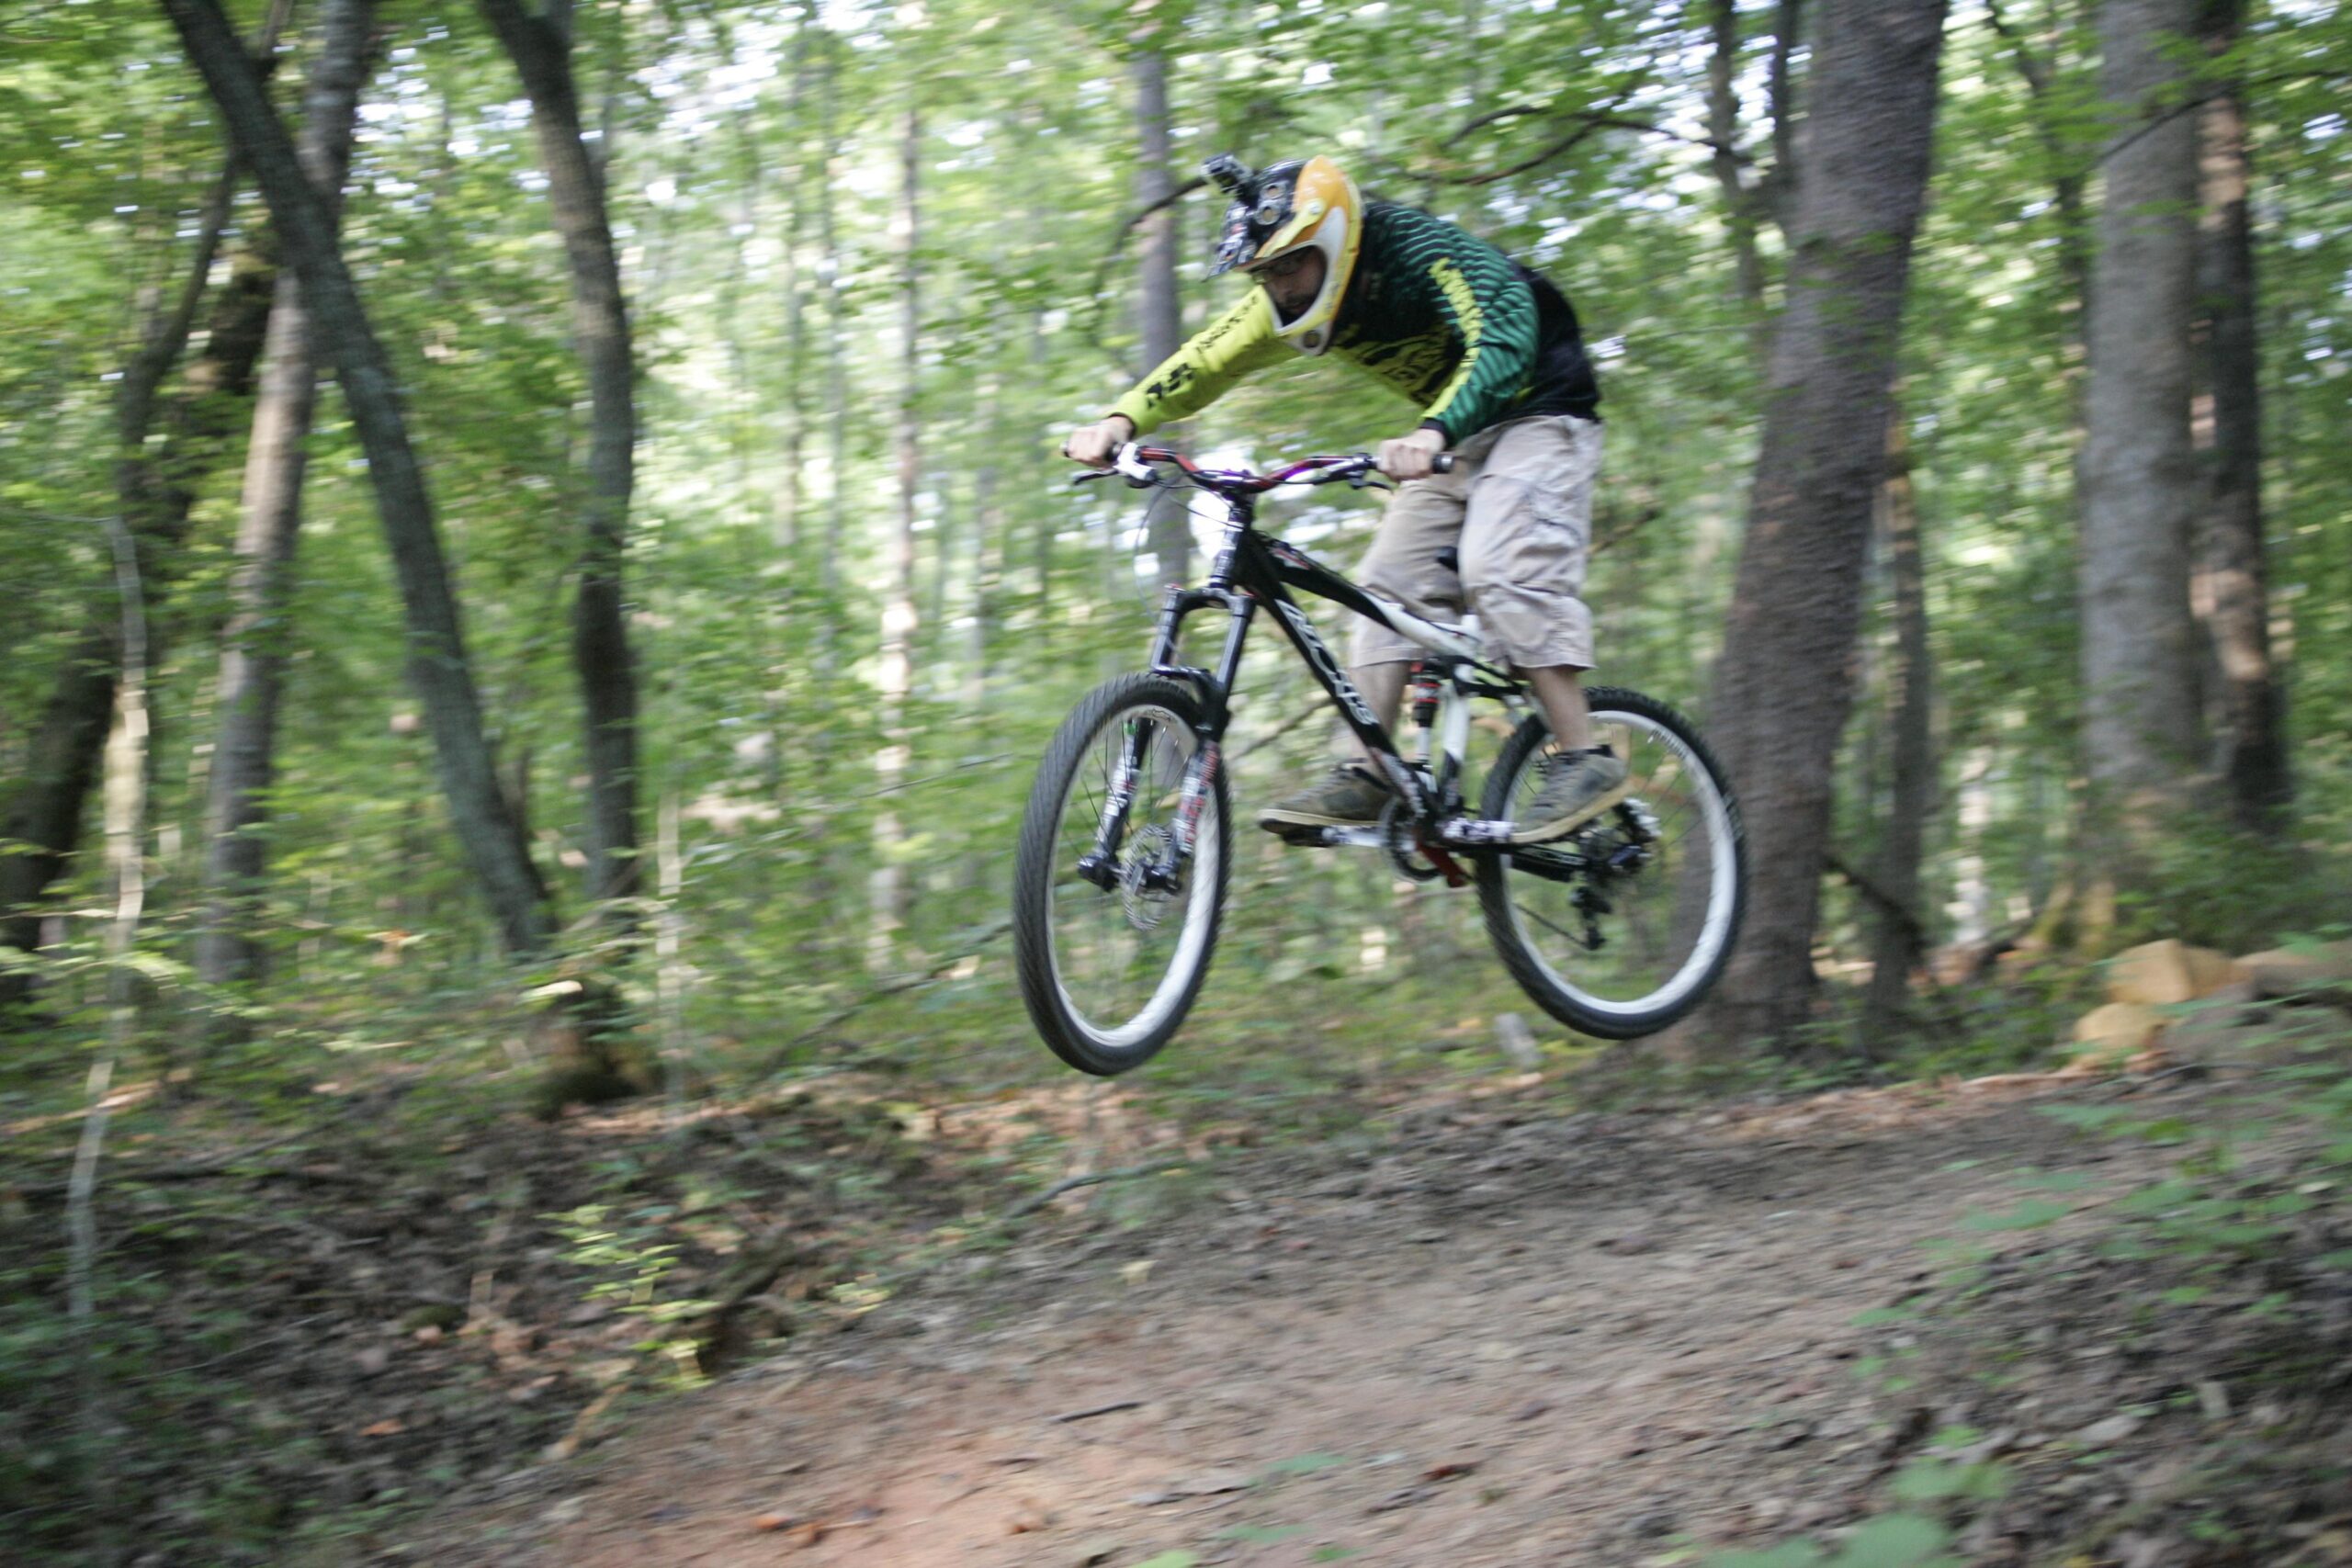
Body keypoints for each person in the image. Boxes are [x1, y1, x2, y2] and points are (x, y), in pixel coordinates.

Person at [1064, 153, 1625, 845]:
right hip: (1454, 431)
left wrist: (1432, 430)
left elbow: (1507, 327)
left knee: (1496, 567)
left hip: (1543, 412)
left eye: (1290, 266)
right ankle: (1373, 772)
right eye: (1264, 273)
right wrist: (1120, 423)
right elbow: (1205, 361)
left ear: (1332, 239)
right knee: (1388, 587)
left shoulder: (1417, 250)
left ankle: (1584, 755)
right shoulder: (1285, 298)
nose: (1280, 287)